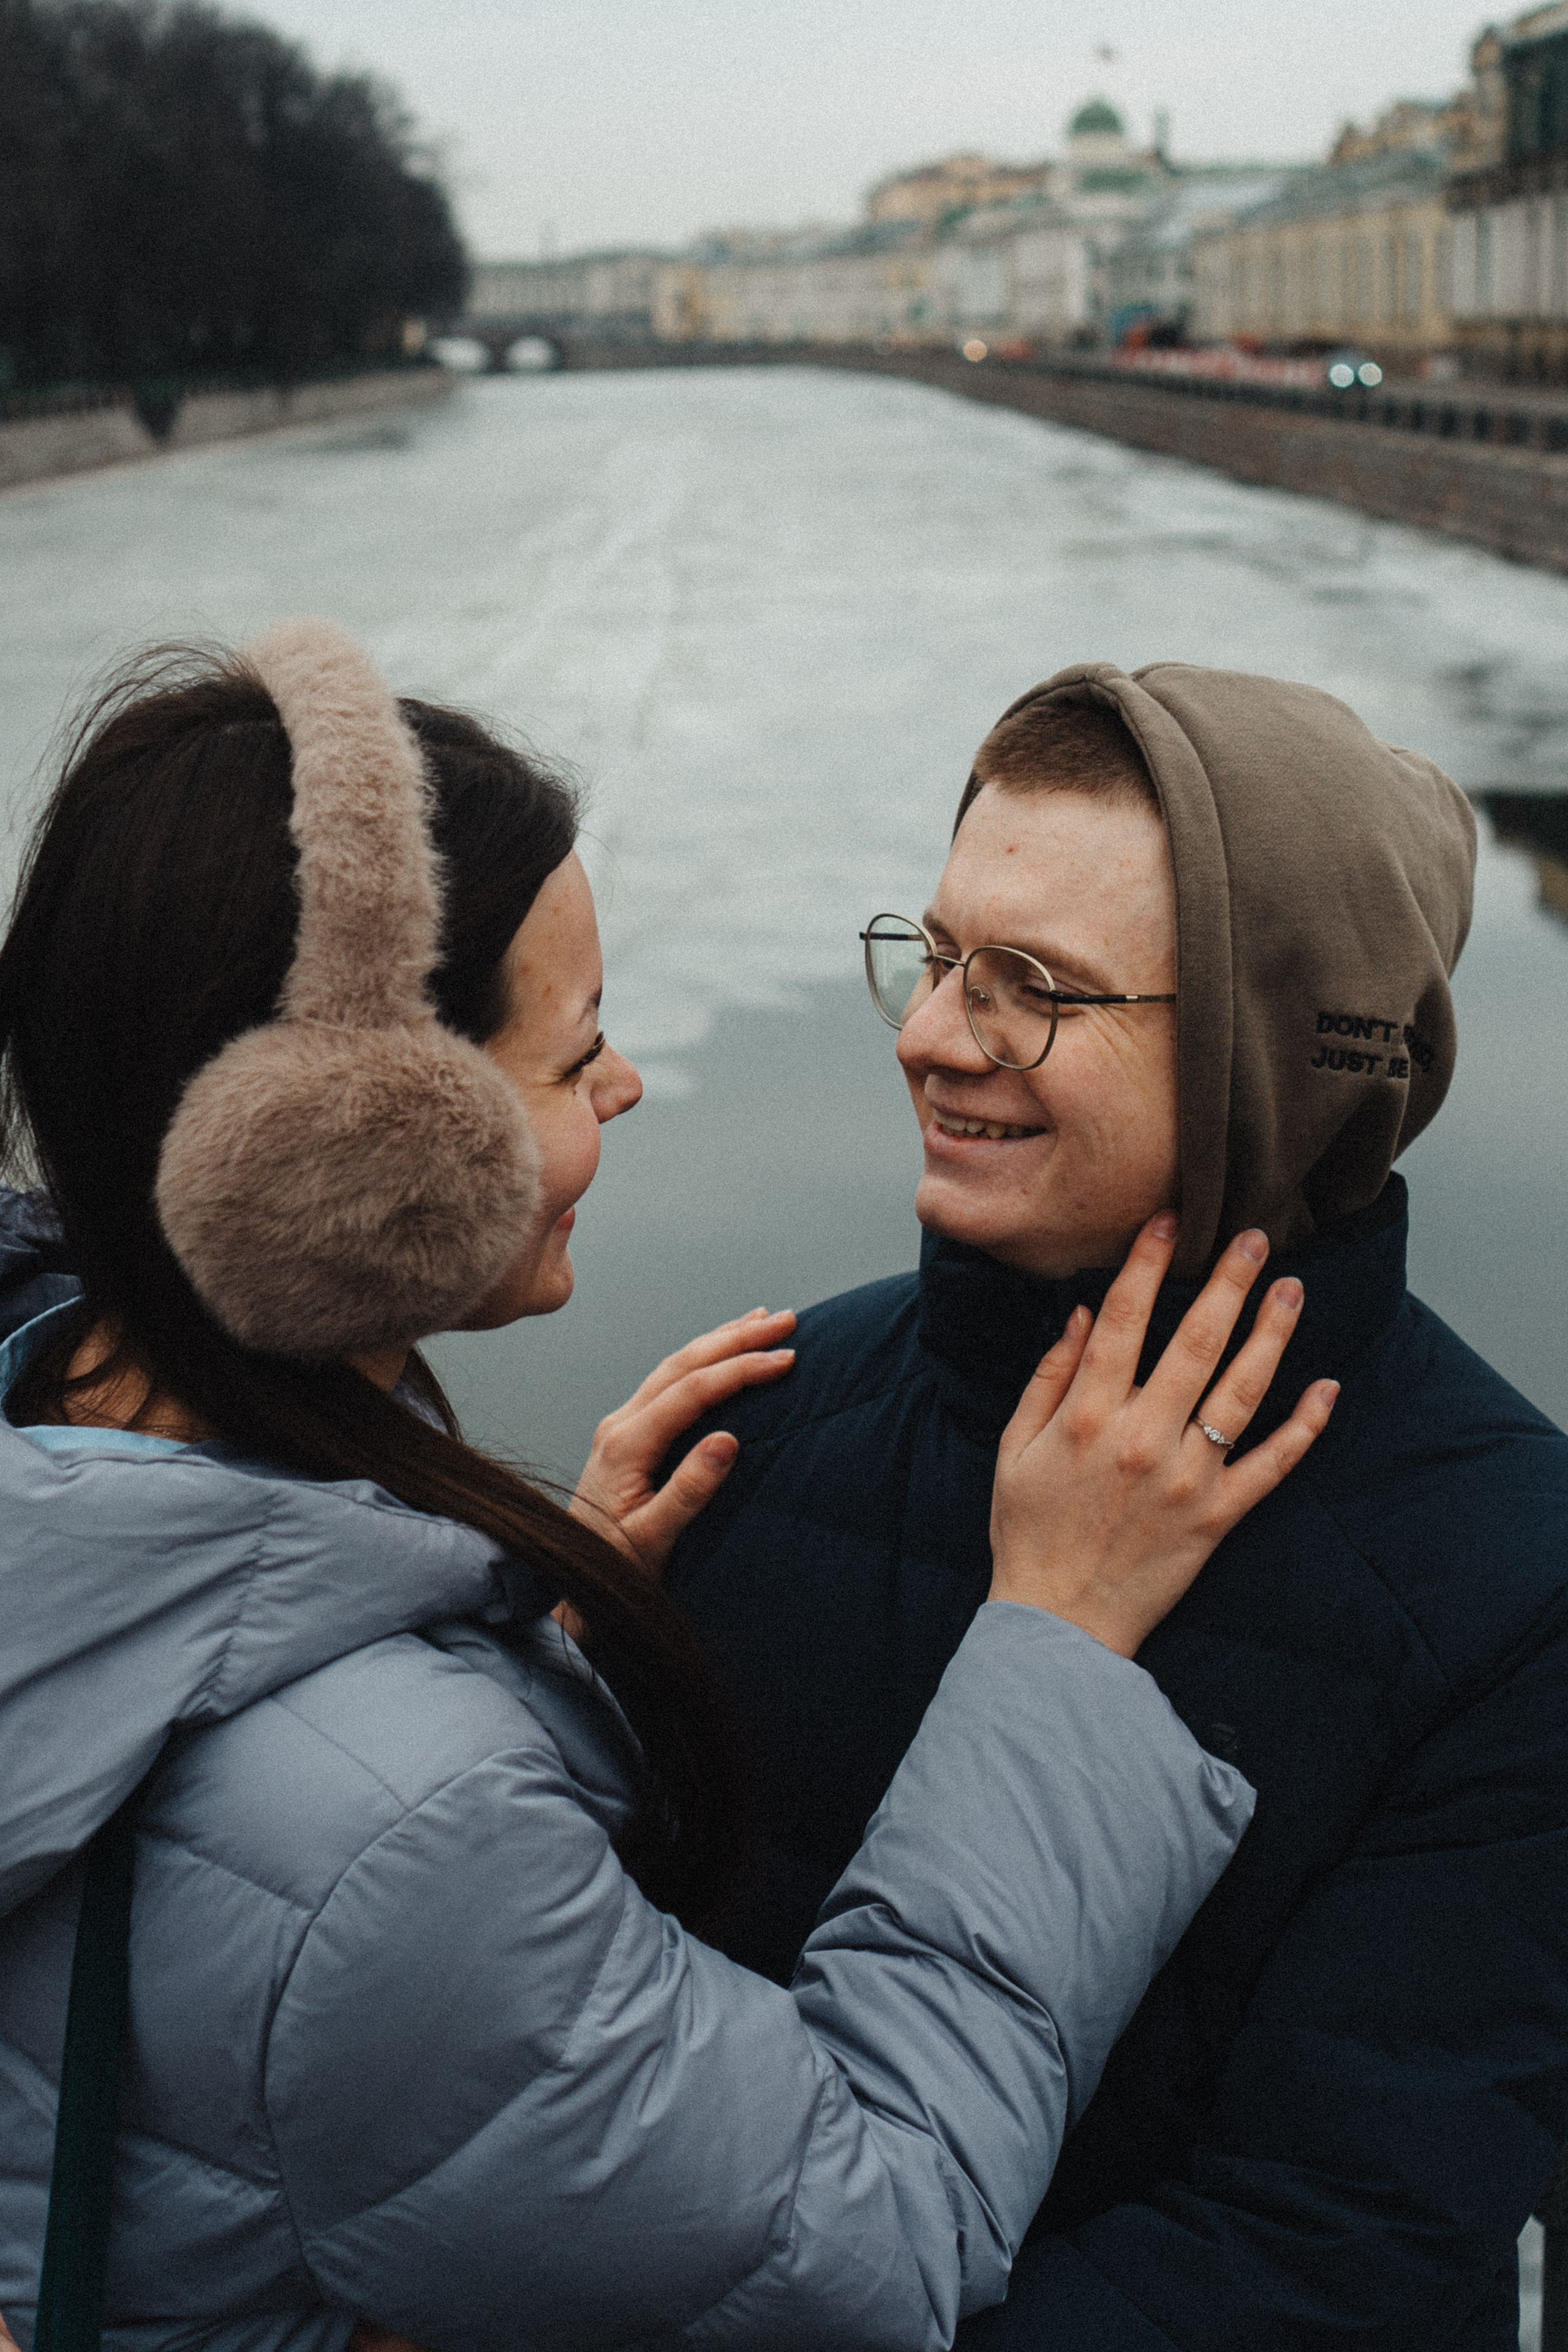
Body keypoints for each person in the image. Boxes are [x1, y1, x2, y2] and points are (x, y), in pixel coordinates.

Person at [0, 627, 1334, 2350]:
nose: (624, 1086)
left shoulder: (53, 1408)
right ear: (345, 1142)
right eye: (575, 1058)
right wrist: (1058, 1650)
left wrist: (501, 1625)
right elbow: (877, 2239)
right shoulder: (404, 1834)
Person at [670, 660, 1568, 2351]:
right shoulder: (752, 1421)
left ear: (1270, 1054)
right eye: (937, 956)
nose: (933, 1037)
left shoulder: (1517, 1588)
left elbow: (1332, 2247)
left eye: (1035, 988)